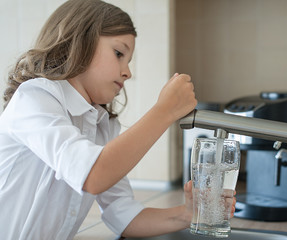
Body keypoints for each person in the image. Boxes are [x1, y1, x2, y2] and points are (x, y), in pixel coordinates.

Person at [0, 0, 236, 239]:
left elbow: (124, 216)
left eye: (128, 61)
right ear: (80, 41)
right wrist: (165, 110)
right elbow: (92, 176)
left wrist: (188, 214)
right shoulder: (35, 98)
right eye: (118, 53)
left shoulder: (102, 126)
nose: (127, 72)